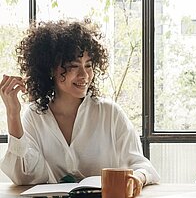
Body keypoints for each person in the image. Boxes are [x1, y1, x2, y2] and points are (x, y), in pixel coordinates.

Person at [0, 19, 160, 188]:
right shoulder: (34, 116)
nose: (84, 75)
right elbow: (23, 177)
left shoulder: (110, 113)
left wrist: (138, 179)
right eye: (73, 66)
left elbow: (143, 167)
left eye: (89, 65)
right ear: (50, 69)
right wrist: (12, 113)